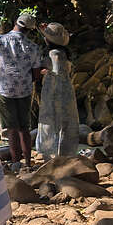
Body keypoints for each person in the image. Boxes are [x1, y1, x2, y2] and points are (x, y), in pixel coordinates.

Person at [0, 12, 47, 170]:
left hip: (4, 91)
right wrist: (22, 80)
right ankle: (29, 163)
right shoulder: (34, 47)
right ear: (29, 30)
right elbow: (36, 75)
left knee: (11, 128)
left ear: (16, 23)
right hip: (24, 90)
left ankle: (16, 163)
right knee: (24, 128)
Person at [35, 22, 80, 158]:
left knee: (50, 119)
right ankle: (67, 154)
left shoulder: (54, 53)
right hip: (66, 90)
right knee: (67, 120)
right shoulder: (64, 53)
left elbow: (55, 72)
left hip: (54, 90)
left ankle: (49, 154)